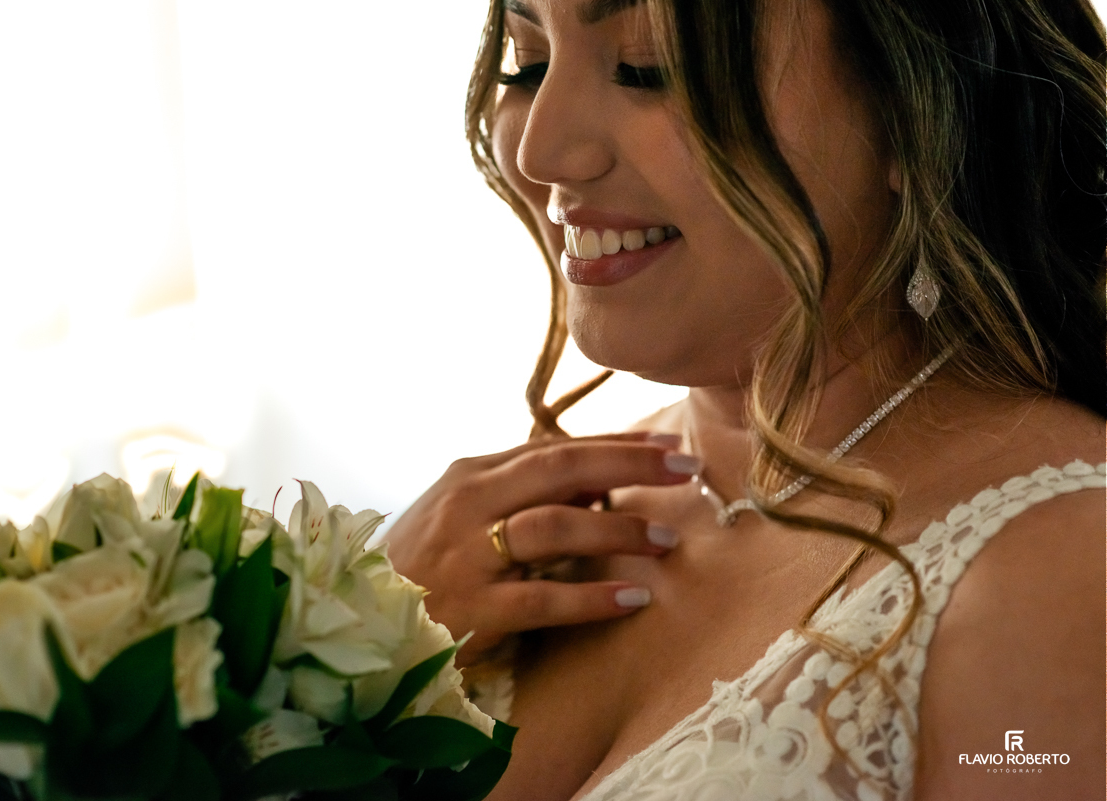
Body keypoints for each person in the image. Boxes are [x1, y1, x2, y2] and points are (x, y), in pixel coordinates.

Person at [384, 0, 1106, 798]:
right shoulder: (474, 550)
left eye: (647, 67)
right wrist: (355, 646)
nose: (544, 150)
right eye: (527, 61)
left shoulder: (1059, 579)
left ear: (917, 113)